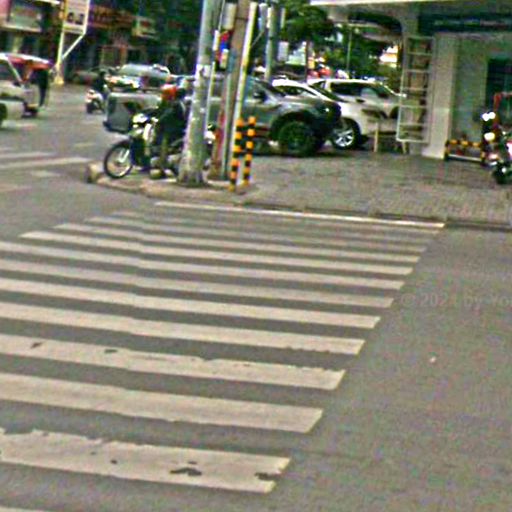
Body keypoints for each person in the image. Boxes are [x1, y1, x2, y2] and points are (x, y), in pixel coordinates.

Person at [153, 84, 188, 177]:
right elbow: (158, 112)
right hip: (167, 128)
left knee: (164, 147)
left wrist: (159, 120)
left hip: (173, 130)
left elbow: (167, 114)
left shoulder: (176, 104)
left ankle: (162, 170)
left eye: (166, 93)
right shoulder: (166, 103)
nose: (163, 95)